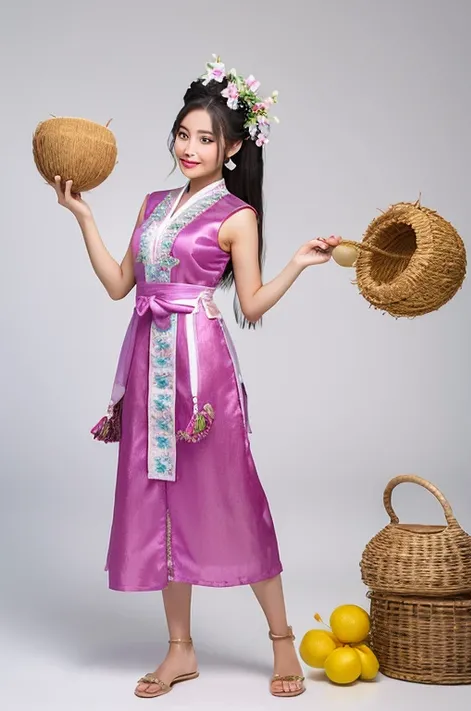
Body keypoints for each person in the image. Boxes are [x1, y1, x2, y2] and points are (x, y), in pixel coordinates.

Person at [52, 55, 341, 700]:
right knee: (161, 497)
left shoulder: (237, 215)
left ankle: (282, 641)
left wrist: (295, 263)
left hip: (200, 368)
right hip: (146, 357)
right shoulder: (153, 204)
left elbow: (253, 302)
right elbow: (119, 286)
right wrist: (86, 217)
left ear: (233, 147)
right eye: (183, 134)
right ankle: (179, 649)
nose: (189, 147)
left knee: (231, 493)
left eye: (206, 138)